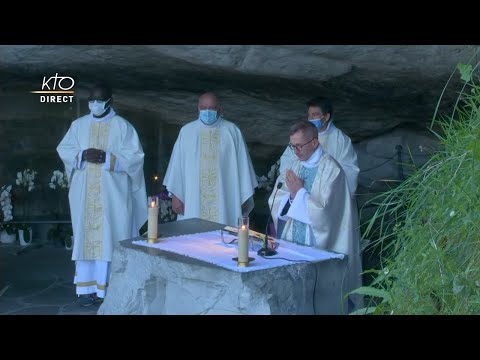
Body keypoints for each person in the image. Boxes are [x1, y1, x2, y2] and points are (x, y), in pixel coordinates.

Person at [57, 82, 147, 307]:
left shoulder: (123, 127)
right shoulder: (78, 126)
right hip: (85, 195)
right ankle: (86, 289)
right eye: (92, 100)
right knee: (86, 239)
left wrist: (109, 159)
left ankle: (107, 289)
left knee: (110, 238)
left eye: (99, 100)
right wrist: (81, 154)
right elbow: (64, 149)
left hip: (113, 197)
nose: (95, 104)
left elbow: (136, 157)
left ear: (110, 101)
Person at [269, 121, 362, 312]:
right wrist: (291, 195)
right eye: (292, 146)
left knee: (319, 299)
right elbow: (278, 199)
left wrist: (299, 194)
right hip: (294, 241)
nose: (295, 151)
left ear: (314, 143)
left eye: (299, 146)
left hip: (320, 244)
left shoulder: (332, 170)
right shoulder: (295, 165)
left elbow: (327, 215)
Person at [163, 92, 258, 227]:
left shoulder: (232, 131)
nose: (207, 111)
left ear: (220, 109)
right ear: (198, 108)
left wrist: (243, 195)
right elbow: (177, 166)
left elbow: (242, 167)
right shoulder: (187, 132)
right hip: (193, 200)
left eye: (212, 108)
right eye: (203, 107)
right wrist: (176, 196)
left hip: (224, 202)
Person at [279, 97, 359, 196]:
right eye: (309, 116)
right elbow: (287, 160)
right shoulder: (302, 135)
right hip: (299, 189)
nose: (310, 119)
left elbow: (349, 171)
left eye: (315, 115)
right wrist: (291, 181)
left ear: (326, 117)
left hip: (327, 194)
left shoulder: (340, 140)